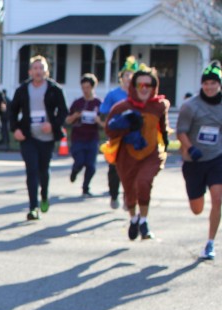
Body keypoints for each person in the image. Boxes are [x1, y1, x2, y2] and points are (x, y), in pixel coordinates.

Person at [105, 67, 170, 241]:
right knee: (130, 190)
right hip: (127, 156)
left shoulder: (159, 106)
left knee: (144, 182)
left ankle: (144, 221)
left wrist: (166, 144)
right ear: (133, 86)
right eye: (140, 85)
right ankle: (134, 219)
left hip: (151, 154)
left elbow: (163, 128)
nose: (144, 88)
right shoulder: (122, 107)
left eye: (148, 85)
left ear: (154, 87)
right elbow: (109, 131)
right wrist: (126, 124)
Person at [7, 55, 68, 220]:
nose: (38, 71)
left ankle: (44, 195)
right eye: (35, 68)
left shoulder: (54, 89)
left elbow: (63, 111)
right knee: (31, 170)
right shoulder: (22, 90)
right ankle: (33, 207)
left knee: (43, 170)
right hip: (28, 136)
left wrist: (53, 125)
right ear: (30, 72)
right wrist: (15, 129)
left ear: (46, 71)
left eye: (41, 68)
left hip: (47, 137)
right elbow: (12, 111)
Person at [177, 61, 222, 260]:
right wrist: (190, 148)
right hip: (194, 161)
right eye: (206, 83)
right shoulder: (190, 106)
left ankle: (210, 243)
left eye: (213, 83)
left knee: (218, 198)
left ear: (219, 84)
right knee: (197, 209)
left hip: (217, 158)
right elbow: (181, 132)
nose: (209, 87)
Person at [100, 57, 140, 210]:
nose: (129, 78)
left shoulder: (139, 94)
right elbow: (104, 113)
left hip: (134, 136)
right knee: (115, 169)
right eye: (126, 75)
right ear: (121, 77)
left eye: (132, 75)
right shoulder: (113, 94)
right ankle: (114, 194)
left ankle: (127, 198)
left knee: (132, 170)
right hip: (117, 136)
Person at [65, 73, 102, 197]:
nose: (85, 90)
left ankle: (86, 187)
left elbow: (105, 123)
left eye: (88, 87)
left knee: (91, 166)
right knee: (80, 161)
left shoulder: (98, 103)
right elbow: (67, 120)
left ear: (93, 87)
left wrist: (98, 121)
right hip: (78, 137)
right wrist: (76, 116)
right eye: (83, 88)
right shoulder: (78, 103)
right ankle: (74, 171)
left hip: (92, 138)